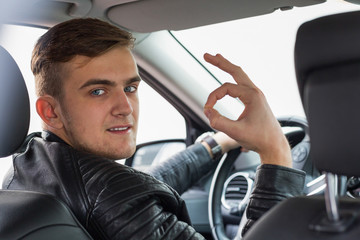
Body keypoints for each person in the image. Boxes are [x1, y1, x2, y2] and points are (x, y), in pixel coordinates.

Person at [3, 18, 305, 239]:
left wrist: (213, 145)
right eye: (98, 91)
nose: (125, 107)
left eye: (131, 88)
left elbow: (139, 186)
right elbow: (122, 196)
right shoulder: (112, 197)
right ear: (50, 111)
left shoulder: (29, 165)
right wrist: (275, 152)